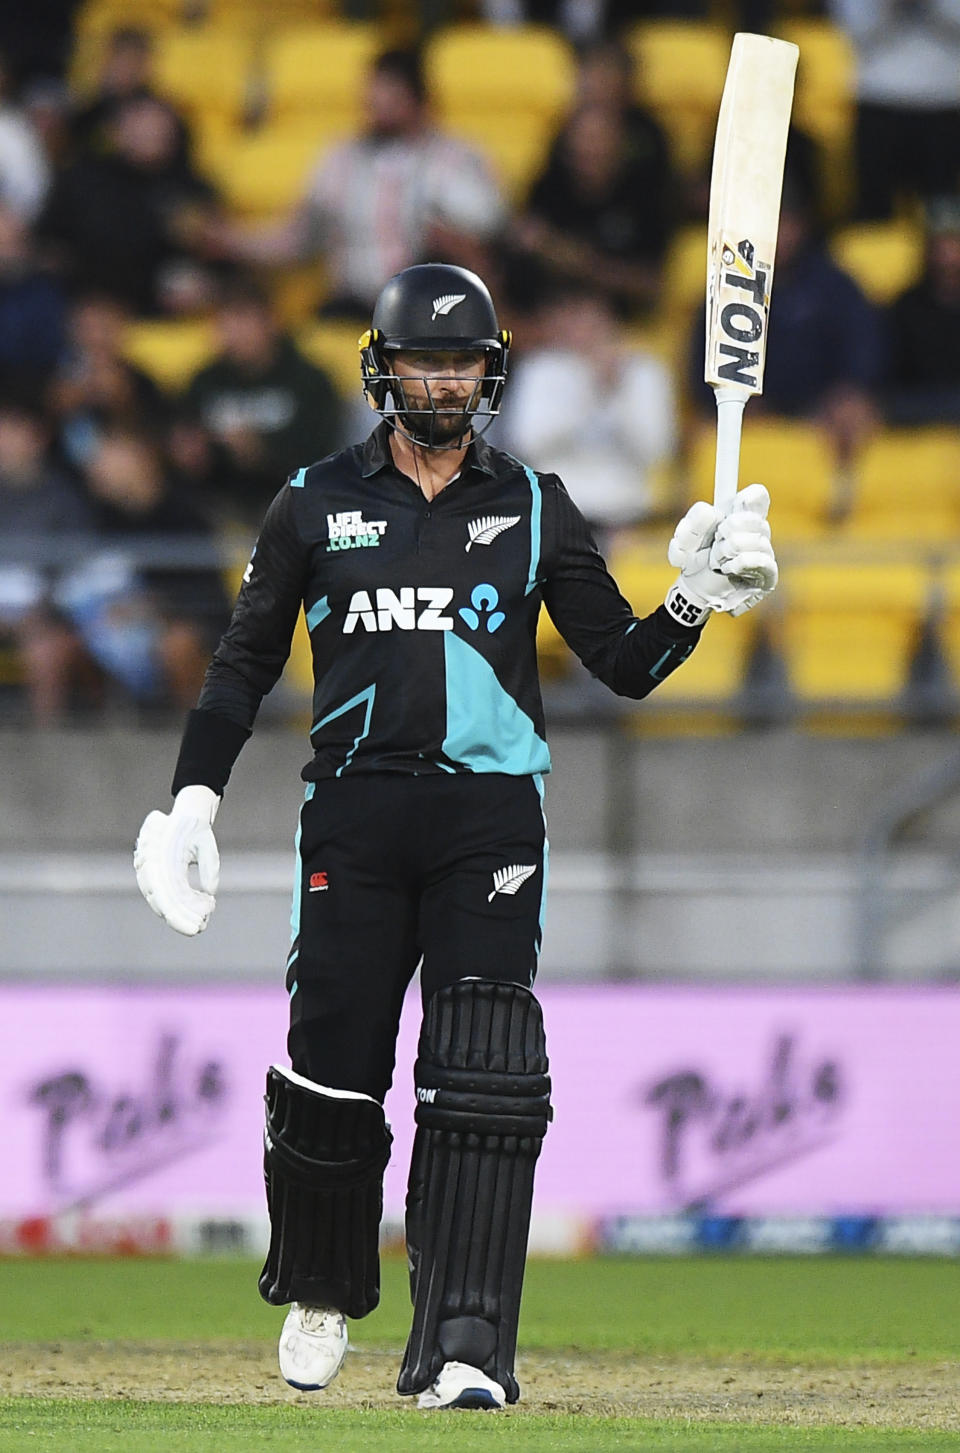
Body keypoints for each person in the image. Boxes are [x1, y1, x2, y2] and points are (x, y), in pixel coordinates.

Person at [133, 263, 777, 1410]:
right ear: (384, 369)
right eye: (423, 361)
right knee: (334, 1064)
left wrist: (696, 596)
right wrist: (193, 796)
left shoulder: (533, 501)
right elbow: (241, 662)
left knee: (481, 1069)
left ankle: (465, 1338)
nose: (442, 380)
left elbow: (622, 666)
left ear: (492, 371)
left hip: (489, 817)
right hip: (356, 808)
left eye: (463, 362)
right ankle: (326, 1285)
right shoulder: (313, 499)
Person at [205, 49, 506, 318]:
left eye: (391, 96)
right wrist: (234, 240)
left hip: (426, 305)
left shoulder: (453, 159)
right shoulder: (341, 159)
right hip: (353, 302)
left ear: (418, 100)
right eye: (372, 97)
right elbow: (297, 239)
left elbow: (489, 226)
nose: (377, 107)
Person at [500, 284, 676, 539]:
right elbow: (528, 442)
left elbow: (657, 449)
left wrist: (614, 390)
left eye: (588, 312)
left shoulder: (644, 370)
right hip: (556, 514)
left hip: (628, 516)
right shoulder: (539, 369)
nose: (580, 324)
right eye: (570, 313)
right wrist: (589, 390)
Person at [182, 275, 342, 529]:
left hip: (295, 505)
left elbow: (325, 454)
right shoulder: (204, 382)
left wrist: (263, 451)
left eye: (242, 319)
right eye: (225, 321)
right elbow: (183, 441)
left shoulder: (309, 381)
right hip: (215, 507)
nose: (234, 332)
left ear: (271, 321)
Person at [883, 193, 960, 426]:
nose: (948, 255)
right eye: (940, 243)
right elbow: (889, 385)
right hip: (916, 418)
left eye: (954, 242)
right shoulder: (906, 308)